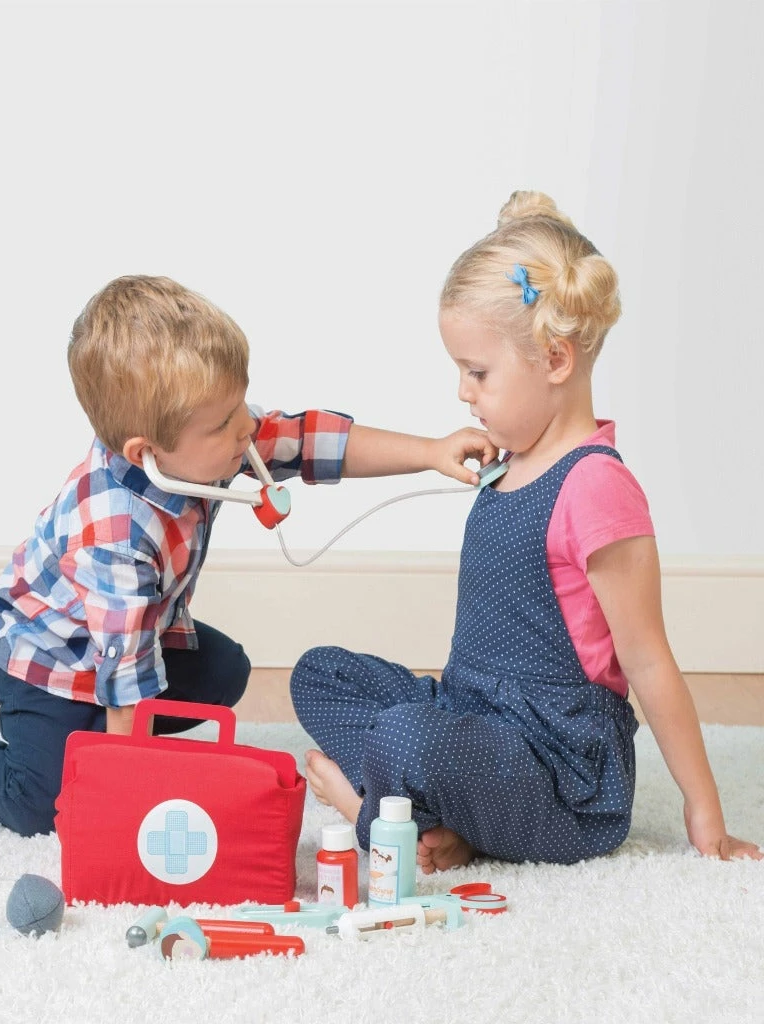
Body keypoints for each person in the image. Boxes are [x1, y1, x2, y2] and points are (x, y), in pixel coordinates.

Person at [0, 274, 496, 837]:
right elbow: (125, 677)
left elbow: (310, 440)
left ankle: (85, 742)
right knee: (44, 804)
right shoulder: (114, 534)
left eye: (240, 406)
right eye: (224, 424)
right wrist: (123, 792)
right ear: (146, 451)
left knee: (223, 673)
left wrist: (429, 451)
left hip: (128, 640)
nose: (246, 429)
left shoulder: (203, 443)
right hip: (48, 663)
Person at [290, 192, 762, 873]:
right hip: (471, 717)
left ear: (556, 360)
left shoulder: (597, 486)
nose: (463, 391)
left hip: (557, 771)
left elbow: (649, 660)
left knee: (405, 736)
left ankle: (373, 808)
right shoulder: (507, 463)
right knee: (321, 673)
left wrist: (705, 811)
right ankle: (447, 820)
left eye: (478, 373)